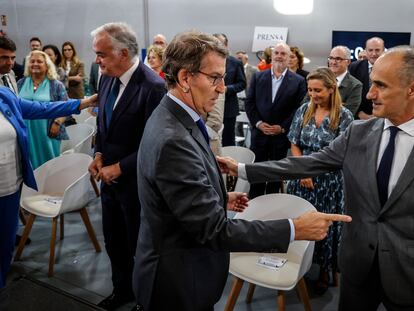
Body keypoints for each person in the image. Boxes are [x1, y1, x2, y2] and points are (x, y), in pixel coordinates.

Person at [132, 31, 351, 311]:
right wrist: (295, 228)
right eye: (215, 78)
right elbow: (214, 230)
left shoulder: (173, 116)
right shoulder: (174, 137)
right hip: (177, 281)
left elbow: (173, 194)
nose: (223, 88)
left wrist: (218, 200)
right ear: (186, 78)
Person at [218, 45, 414, 310]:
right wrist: (242, 169)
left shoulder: (345, 118)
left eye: (381, 85)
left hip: (406, 273)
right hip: (357, 269)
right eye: (371, 84)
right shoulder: (359, 132)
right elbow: (306, 164)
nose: (370, 94)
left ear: (411, 89)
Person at [88, 22, 165, 311]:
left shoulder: (153, 86)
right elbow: (102, 125)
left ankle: (145, 301)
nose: (97, 60)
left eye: (102, 54)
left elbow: (155, 143)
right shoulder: (107, 78)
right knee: (114, 243)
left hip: (137, 185)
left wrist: (120, 167)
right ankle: (122, 291)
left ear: (122, 53)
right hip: (108, 182)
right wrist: (97, 155)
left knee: (140, 248)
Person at [0, 86, 97, 289]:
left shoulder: (5, 94)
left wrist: (83, 103)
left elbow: (42, 108)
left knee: (5, 242)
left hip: (9, 186)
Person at [287, 67, 353, 293]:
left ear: (331, 89)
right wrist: (303, 171)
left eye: (318, 90)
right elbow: (294, 142)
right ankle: (298, 263)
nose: (313, 95)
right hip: (301, 178)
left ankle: (325, 269)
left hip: (328, 182)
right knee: (300, 223)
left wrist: (313, 172)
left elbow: (343, 153)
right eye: (310, 90)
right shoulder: (304, 110)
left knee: (325, 226)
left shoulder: (344, 116)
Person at [246, 42, 307, 198]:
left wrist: (282, 127)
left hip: (280, 136)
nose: (279, 56)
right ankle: (254, 207)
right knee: (257, 174)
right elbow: (250, 102)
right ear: (271, 56)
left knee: (275, 175)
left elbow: (298, 109)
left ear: (289, 58)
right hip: (259, 134)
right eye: (277, 53)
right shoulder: (258, 77)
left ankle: (272, 209)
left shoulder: (299, 81)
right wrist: (258, 123)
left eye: (283, 54)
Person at [17, 50, 69, 169]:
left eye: (39, 61)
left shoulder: (56, 85)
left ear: (47, 66)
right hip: (26, 131)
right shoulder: (21, 82)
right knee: (27, 162)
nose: (35, 64)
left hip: (48, 131)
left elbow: (66, 107)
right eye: (32, 61)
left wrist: (57, 122)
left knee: (49, 163)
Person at [213, 33, 246, 146]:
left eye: (220, 43)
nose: (217, 46)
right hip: (209, 107)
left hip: (228, 108)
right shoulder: (206, 61)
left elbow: (242, 84)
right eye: (214, 43)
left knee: (228, 139)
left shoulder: (235, 62)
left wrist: (227, 89)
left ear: (226, 45)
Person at [349, 37, 385, 120]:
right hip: (358, 118)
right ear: (366, 50)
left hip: (384, 117)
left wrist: (379, 115)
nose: (373, 54)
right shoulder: (354, 67)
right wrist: (358, 113)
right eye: (370, 50)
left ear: (383, 50)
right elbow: (350, 92)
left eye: (377, 50)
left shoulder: (392, 68)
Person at [328, 45, 363, 116]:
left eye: (338, 59)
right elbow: (305, 106)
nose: (333, 62)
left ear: (348, 62)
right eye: (331, 58)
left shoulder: (355, 85)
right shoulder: (320, 79)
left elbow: (347, 115)